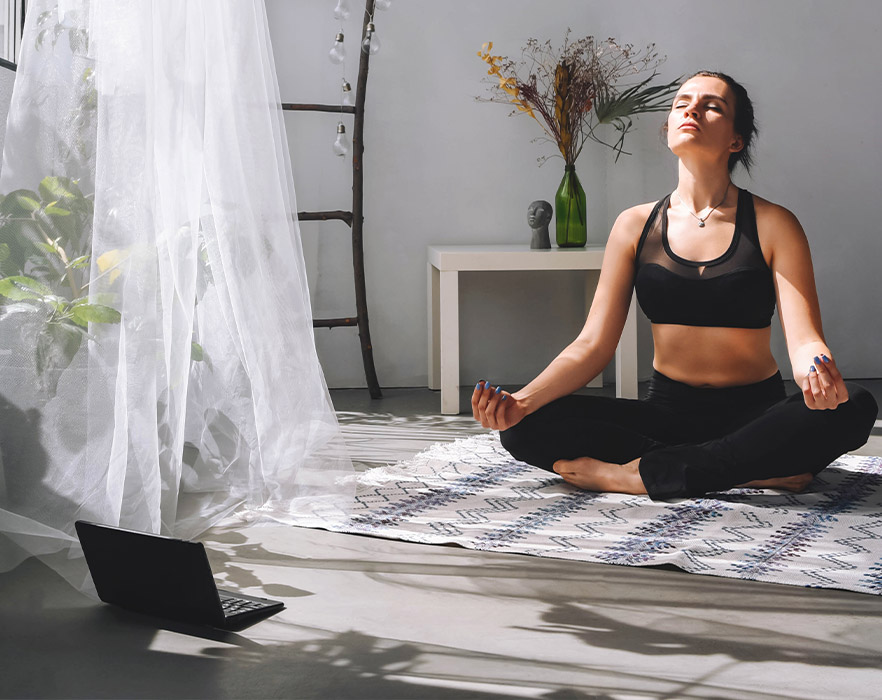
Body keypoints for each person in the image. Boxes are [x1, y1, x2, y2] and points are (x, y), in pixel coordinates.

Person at [471, 70, 878, 500]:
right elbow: (592, 344)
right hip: (666, 414)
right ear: (668, 129)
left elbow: (804, 341)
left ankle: (636, 475)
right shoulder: (634, 225)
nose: (692, 110)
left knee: (853, 403)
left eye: (712, 105)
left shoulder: (775, 224)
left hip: (756, 414)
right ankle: (745, 469)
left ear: (736, 140)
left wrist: (817, 377)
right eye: (682, 103)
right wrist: (521, 402)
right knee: (524, 428)